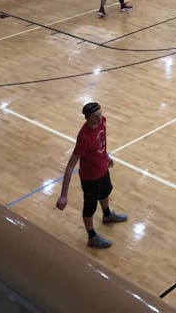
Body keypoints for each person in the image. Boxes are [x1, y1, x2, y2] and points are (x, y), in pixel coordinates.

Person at [56, 102, 127, 249]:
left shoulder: (103, 122)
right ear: (87, 118)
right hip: (90, 178)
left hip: (102, 169)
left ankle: (107, 215)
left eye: (100, 114)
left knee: (105, 192)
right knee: (89, 208)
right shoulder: (84, 138)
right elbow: (70, 166)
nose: (100, 118)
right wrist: (63, 195)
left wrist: (106, 155)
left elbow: (102, 142)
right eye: (96, 116)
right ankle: (92, 237)